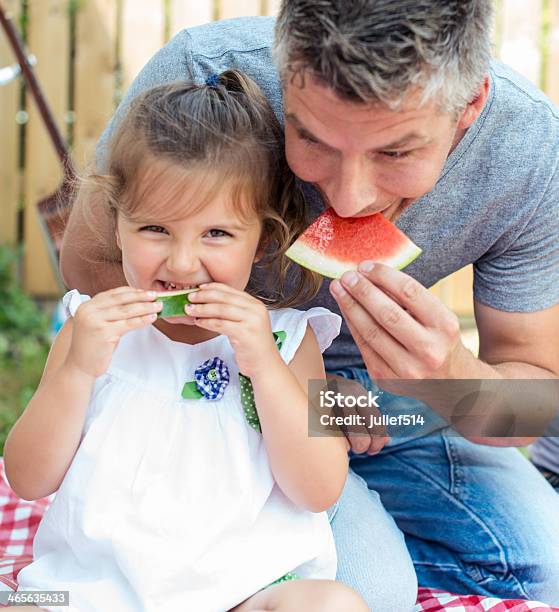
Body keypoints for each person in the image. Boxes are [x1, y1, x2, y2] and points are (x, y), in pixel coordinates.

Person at [59, 0, 559, 607]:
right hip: (228, 381)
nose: (350, 199)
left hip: (401, 407)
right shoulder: (205, 74)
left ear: (470, 105)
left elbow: (530, 404)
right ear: (282, 69)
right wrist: (303, 397)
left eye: (395, 153)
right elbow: (90, 266)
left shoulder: (527, 146)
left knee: (547, 573)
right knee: (370, 595)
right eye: (309, 137)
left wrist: (448, 375)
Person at [3, 71, 369, 612]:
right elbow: (28, 479)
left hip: (243, 589)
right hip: (92, 593)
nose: (180, 262)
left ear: (262, 240)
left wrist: (264, 366)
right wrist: (77, 373)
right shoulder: (90, 328)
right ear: (118, 223)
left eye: (216, 234)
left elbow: (319, 489)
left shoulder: (290, 341)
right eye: (155, 229)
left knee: (332, 605)